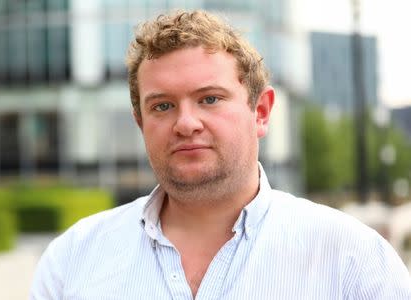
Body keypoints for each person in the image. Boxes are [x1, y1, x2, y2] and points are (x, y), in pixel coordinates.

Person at [30, 10, 411, 299]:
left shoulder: (353, 260)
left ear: (260, 112)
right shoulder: (73, 260)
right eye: (162, 106)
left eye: (209, 99)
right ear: (140, 121)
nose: (186, 123)